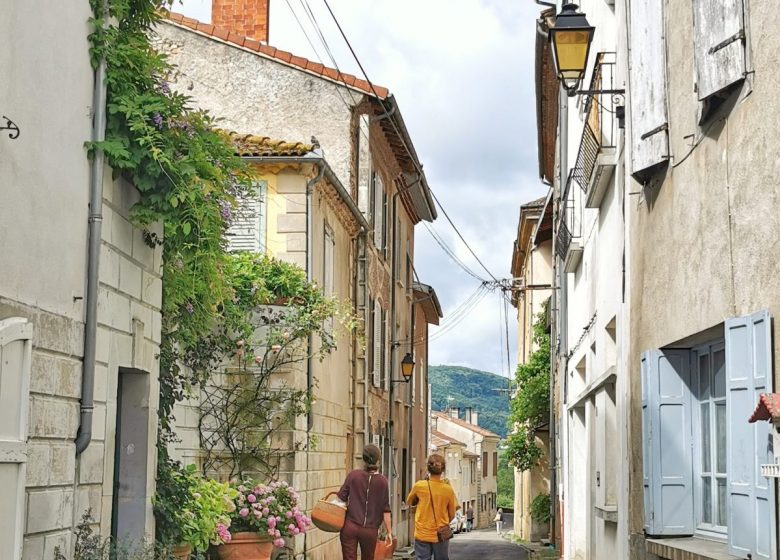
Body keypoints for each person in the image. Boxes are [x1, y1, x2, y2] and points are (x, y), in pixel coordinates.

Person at [337, 444, 392, 560]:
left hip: (350, 526)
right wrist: (389, 532)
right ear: (378, 460)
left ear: (363, 459)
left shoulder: (353, 475)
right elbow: (386, 510)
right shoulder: (383, 482)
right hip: (370, 530)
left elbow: (341, 498)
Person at [406, 454, 457, 560]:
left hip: (422, 532)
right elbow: (452, 514)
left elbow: (409, 502)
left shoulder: (419, 486)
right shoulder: (448, 490)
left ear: (428, 468)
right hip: (441, 534)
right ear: (443, 469)